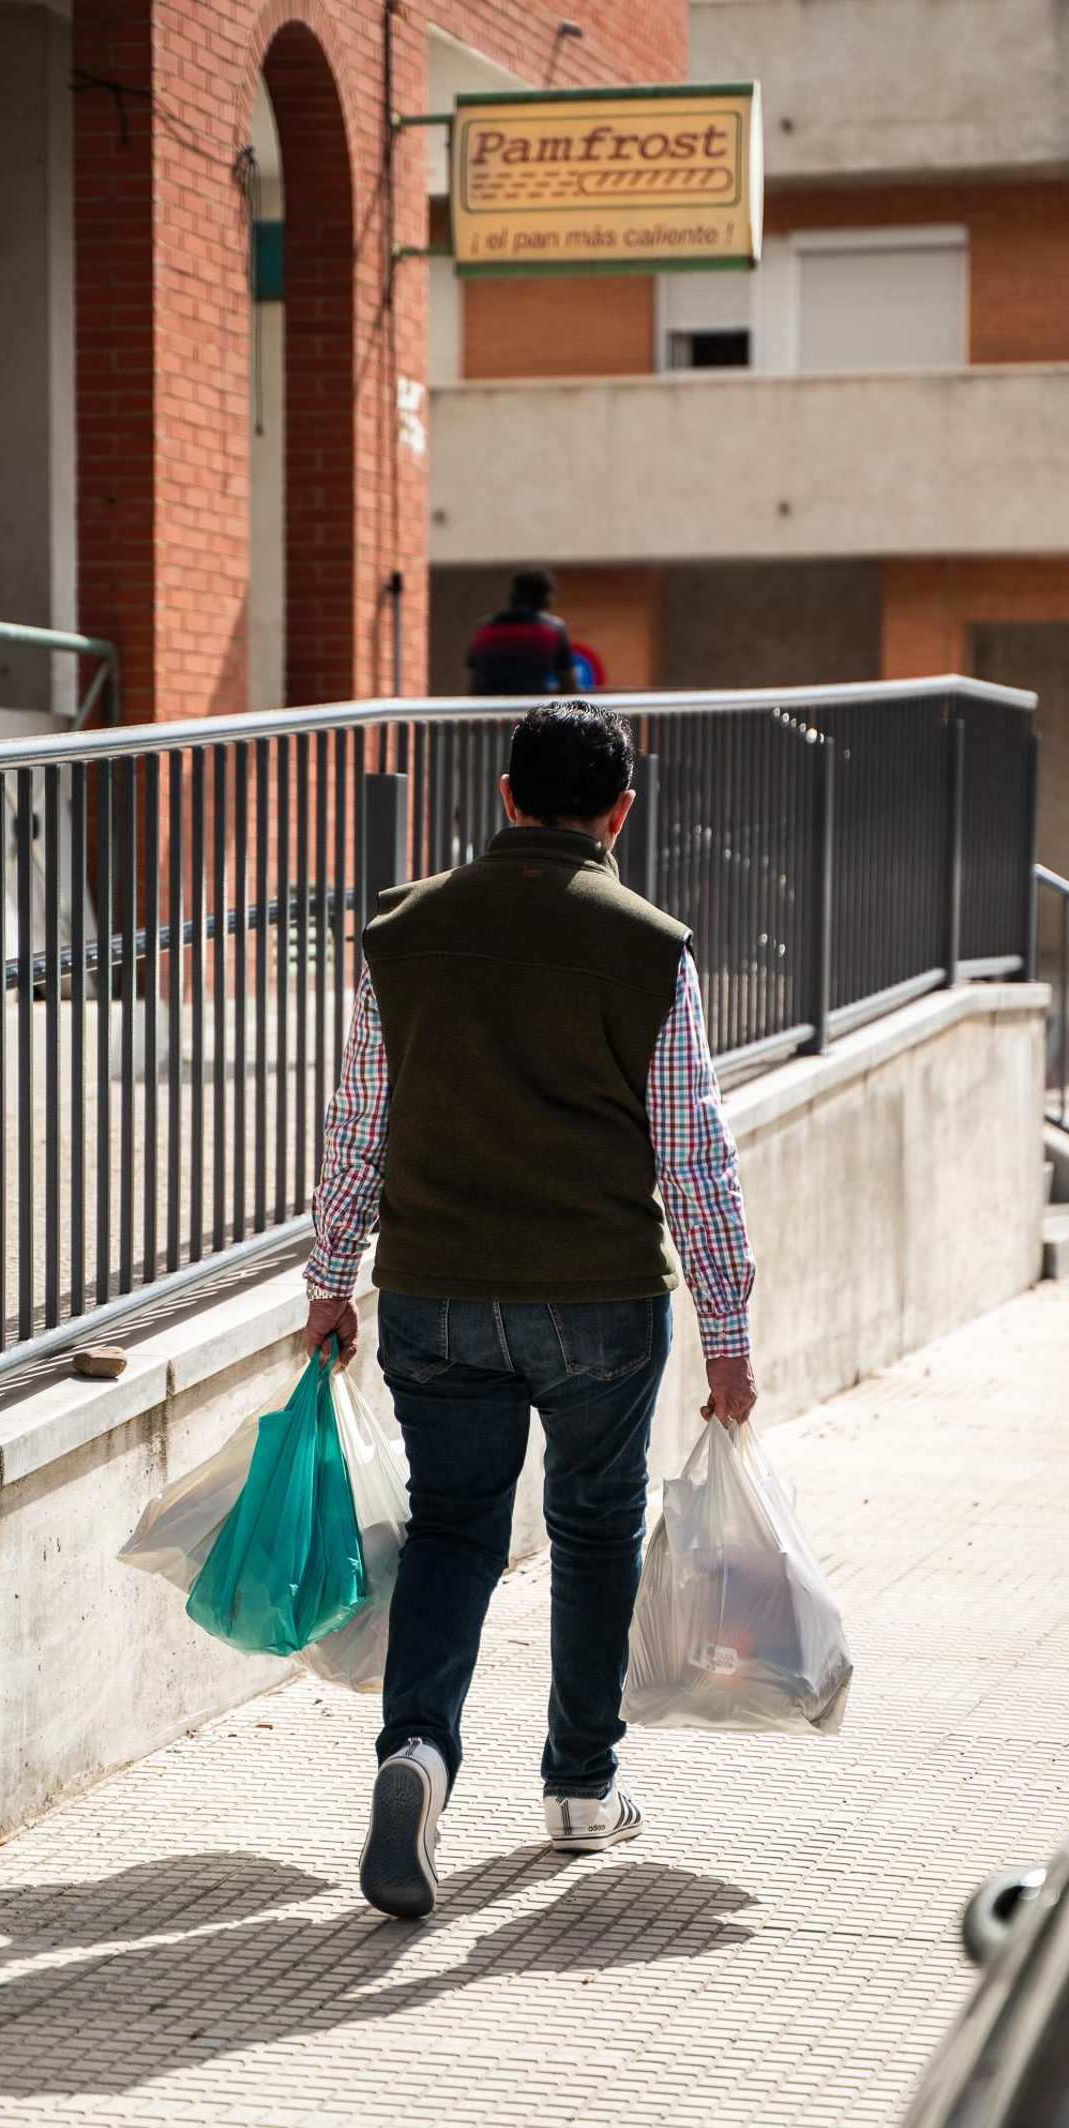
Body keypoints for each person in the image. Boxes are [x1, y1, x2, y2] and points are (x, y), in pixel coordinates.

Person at [303, 699, 756, 1921]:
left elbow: (360, 1129)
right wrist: (728, 1333)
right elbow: (693, 1154)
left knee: (454, 1532)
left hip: (437, 1289)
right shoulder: (651, 947)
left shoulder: (403, 934)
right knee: (594, 1532)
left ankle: (417, 1757)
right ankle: (577, 1788)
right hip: (599, 1299)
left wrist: (328, 1278)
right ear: (619, 812)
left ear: (505, 799)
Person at [466, 567, 577, 697]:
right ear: (546, 598)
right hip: (532, 711)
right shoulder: (553, 629)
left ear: (513, 596)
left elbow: (471, 680)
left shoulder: (485, 628)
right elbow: (568, 685)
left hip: (491, 713)